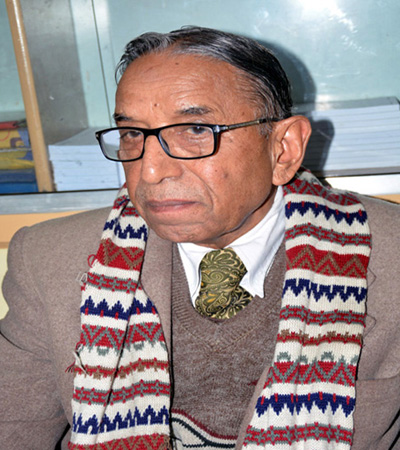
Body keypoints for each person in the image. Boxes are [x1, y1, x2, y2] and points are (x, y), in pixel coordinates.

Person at [0, 26, 399, 450]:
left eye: (194, 129)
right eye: (133, 134)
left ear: (283, 149)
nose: (151, 171)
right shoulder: (47, 261)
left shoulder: (391, 258)